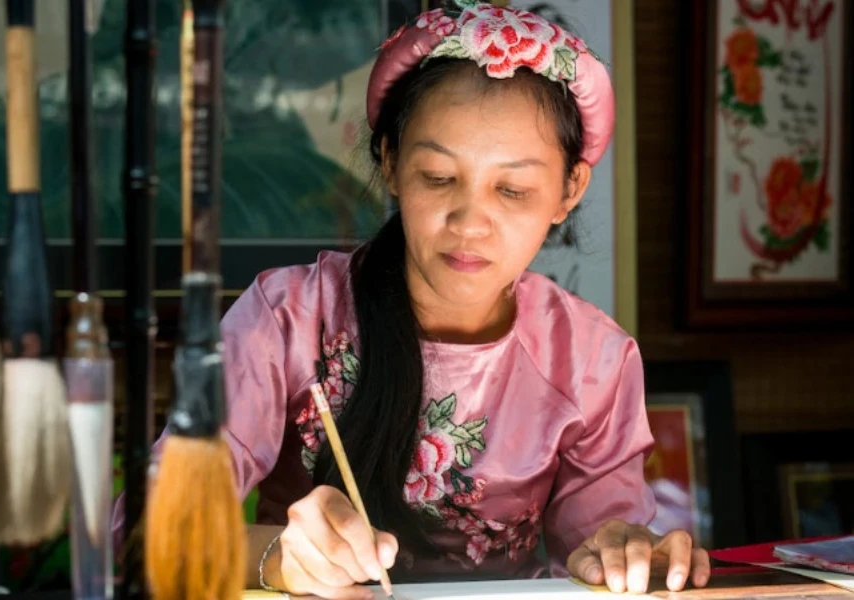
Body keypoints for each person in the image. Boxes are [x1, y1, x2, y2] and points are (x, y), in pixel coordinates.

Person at [113, 2, 711, 598]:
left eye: (512, 189)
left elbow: (598, 547)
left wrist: (621, 554)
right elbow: (141, 533)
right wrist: (280, 558)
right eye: (438, 178)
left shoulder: (591, 360)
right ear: (391, 162)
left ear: (567, 190)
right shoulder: (289, 319)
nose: (470, 223)